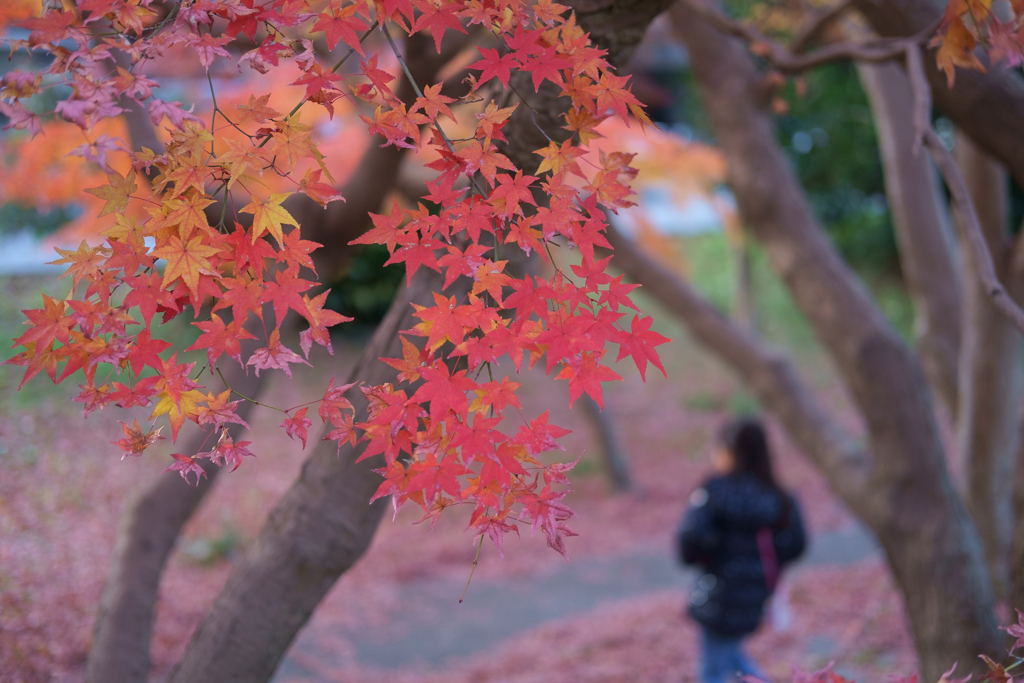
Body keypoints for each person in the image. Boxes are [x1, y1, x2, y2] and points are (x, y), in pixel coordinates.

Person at [677, 416, 807, 683]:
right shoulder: (779, 497)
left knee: (713, 668)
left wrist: (712, 554)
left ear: (730, 452)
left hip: (718, 595)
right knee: (731, 654)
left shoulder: (714, 492)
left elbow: (690, 541)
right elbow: (796, 544)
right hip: (758, 594)